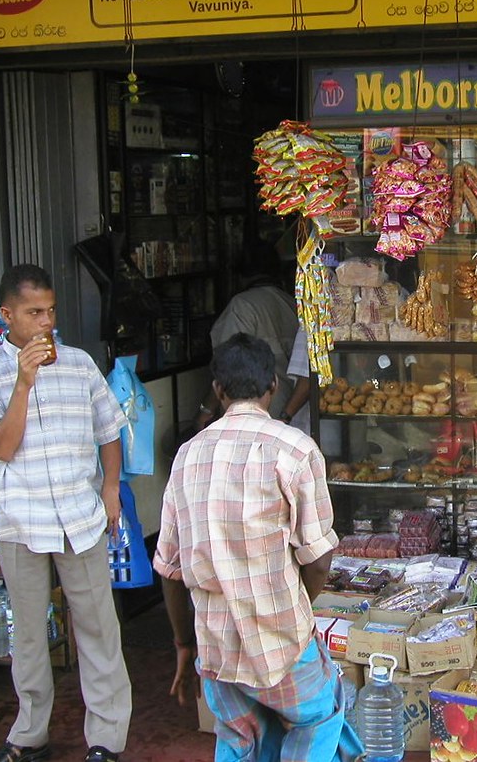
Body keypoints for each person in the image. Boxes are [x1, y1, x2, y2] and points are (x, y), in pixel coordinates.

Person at [155, 333, 362, 762]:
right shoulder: (295, 449)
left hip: (216, 647)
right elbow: (318, 560)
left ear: (218, 390)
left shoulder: (187, 455)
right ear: (273, 385)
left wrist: (183, 643)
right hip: (281, 641)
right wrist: (296, 607)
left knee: (241, 739)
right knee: (321, 717)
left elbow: (170, 569)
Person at [0, 264, 132, 762]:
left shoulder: (79, 364)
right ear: (7, 315)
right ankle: (30, 735)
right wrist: (23, 382)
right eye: (34, 313)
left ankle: (106, 740)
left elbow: (109, 429)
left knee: (98, 629)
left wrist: (111, 489)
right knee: (30, 634)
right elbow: (2, 448)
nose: (46, 323)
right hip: (21, 521)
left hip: (81, 517)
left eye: (51, 311)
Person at [194, 242, 299, 429]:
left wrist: (206, 410)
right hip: (293, 411)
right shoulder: (292, 304)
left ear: (240, 275)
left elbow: (228, 367)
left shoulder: (241, 306)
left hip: (253, 414)